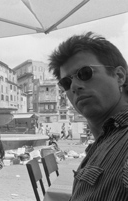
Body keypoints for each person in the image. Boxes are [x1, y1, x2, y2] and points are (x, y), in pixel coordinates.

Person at [49, 32, 128, 200]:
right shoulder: (106, 138)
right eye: (66, 83)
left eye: (85, 73)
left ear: (119, 76)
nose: (75, 87)